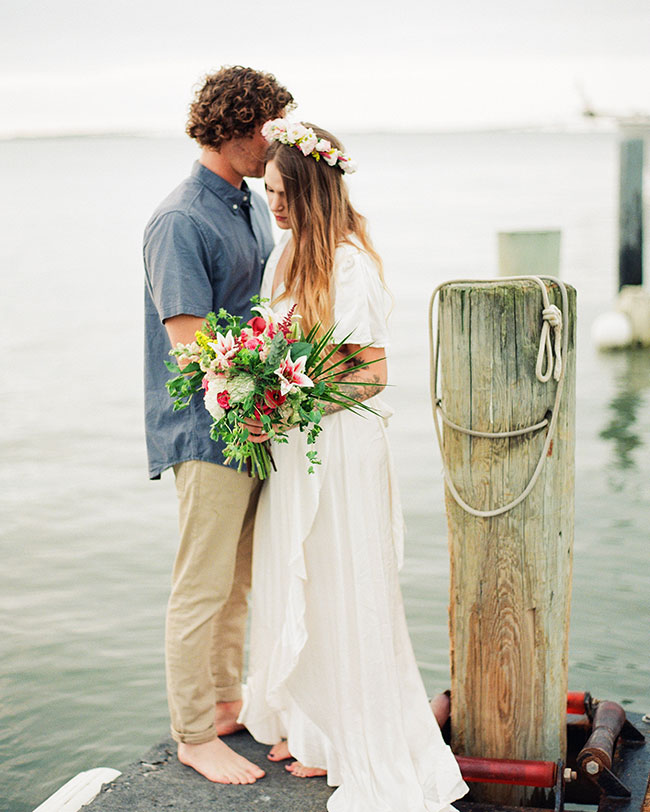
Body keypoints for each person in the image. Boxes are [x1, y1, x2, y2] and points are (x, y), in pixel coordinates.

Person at [239, 121, 469, 811]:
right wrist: (258, 397)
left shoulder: (350, 265)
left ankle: (358, 740)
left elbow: (370, 374)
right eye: (268, 191)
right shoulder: (282, 259)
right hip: (295, 449)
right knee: (296, 580)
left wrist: (294, 400)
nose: (273, 205)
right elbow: (270, 351)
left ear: (311, 191)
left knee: (346, 585)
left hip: (342, 449)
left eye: (283, 194)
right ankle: (313, 727)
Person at [142, 66, 293, 785]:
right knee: (201, 585)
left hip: (252, 425)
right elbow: (193, 343)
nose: (277, 142)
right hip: (205, 432)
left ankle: (228, 703)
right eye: (268, 128)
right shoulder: (180, 219)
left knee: (238, 582)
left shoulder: (250, 204)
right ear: (235, 126)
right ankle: (194, 734)